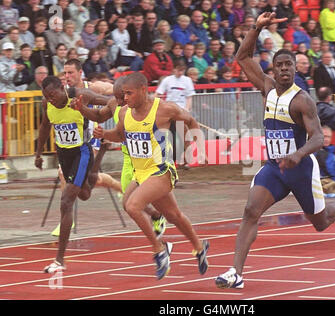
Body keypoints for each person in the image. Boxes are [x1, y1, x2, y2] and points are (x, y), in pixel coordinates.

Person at [215, 12, 335, 290]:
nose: (284, 69)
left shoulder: (302, 100)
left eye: (288, 66)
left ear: (295, 70)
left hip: (301, 170)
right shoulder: (267, 88)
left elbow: (319, 138)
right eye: (279, 65)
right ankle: (236, 272)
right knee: (250, 211)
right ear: (272, 69)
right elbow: (243, 58)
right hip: (273, 168)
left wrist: (298, 154)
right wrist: (257, 28)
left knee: (321, 222)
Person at [92, 72, 209, 280]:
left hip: (161, 170)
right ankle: (200, 247)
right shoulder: (124, 113)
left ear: (143, 90)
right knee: (173, 215)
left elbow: (191, 121)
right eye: (123, 94)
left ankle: (159, 250)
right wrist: (103, 136)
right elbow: (120, 135)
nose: (125, 98)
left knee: (133, 205)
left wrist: (198, 147)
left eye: (129, 93)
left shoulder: (163, 109)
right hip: (141, 172)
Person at [70, 76, 168, 237]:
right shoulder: (115, 104)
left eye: (122, 97)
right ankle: (156, 216)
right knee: (128, 202)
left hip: (150, 160)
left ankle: (163, 242)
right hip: (130, 159)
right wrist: (82, 109)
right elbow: (98, 116)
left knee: (152, 201)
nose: (121, 101)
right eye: (117, 97)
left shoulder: (144, 105)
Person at [35, 75, 111, 273]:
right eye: (46, 97)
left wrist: (126, 105)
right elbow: (45, 126)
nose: (50, 100)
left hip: (81, 152)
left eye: (52, 95)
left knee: (66, 201)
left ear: (63, 87)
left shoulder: (80, 96)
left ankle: (60, 260)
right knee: (84, 194)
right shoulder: (47, 104)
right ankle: (101, 156)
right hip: (63, 153)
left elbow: (108, 102)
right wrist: (38, 153)